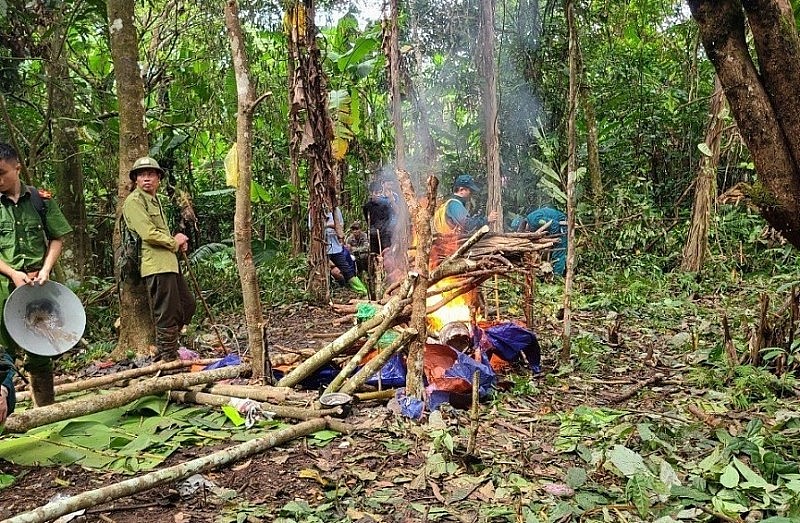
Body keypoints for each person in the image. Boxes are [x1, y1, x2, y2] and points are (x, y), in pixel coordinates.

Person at [0, 142, 73, 407]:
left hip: (37, 288)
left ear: (17, 167)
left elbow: (56, 238)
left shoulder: (40, 200)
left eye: (2, 172)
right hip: (4, 288)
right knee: (2, 352)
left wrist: (45, 269)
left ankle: (45, 412)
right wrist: (11, 272)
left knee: (40, 350)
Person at [122, 156, 196, 361]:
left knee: (187, 304)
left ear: (158, 179)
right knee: (166, 312)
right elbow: (148, 233)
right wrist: (174, 241)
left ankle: (170, 346)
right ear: (135, 179)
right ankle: (168, 357)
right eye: (142, 175)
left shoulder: (155, 201)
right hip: (155, 266)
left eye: (151, 174)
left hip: (169, 263)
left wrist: (178, 243)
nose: (146, 178)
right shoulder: (134, 201)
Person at [315, 206, 368, 295]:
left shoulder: (336, 210)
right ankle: (323, 293)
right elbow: (312, 227)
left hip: (336, 247)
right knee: (321, 271)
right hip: (321, 248)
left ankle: (362, 291)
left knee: (347, 270)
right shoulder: (315, 209)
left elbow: (340, 227)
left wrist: (326, 225)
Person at [432, 174, 498, 236]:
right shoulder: (454, 204)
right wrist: (487, 220)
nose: (471, 194)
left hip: (446, 242)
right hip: (452, 244)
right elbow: (467, 225)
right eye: (470, 190)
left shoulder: (449, 203)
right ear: (461, 190)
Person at [512, 206, 567, 276]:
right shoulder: (531, 220)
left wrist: (554, 238)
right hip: (555, 226)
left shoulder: (535, 221)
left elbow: (553, 224)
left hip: (560, 225)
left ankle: (557, 277)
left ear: (524, 225)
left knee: (559, 252)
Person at [362, 180, 394, 254]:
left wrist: (384, 228)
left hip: (385, 234)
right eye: (376, 193)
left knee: (386, 253)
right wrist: (374, 228)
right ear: (371, 193)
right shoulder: (367, 206)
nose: (379, 195)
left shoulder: (386, 205)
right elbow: (368, 220)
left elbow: (389, 218)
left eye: (380, 192)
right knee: (375, 254)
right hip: (373, 235)